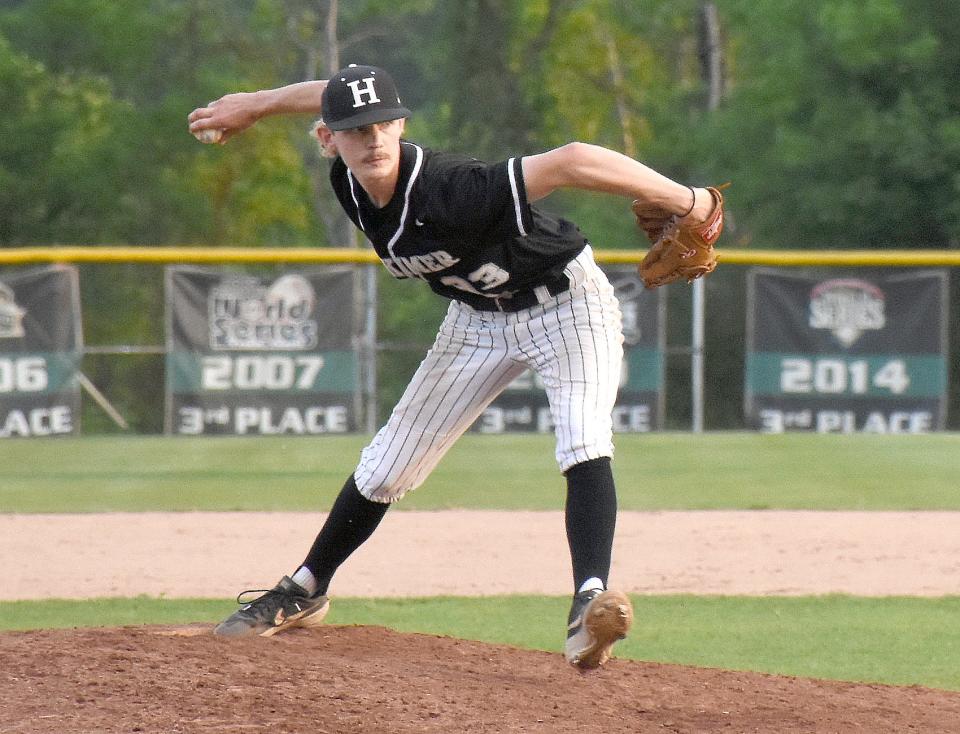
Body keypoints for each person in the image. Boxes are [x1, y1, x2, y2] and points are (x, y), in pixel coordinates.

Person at [188, 64, 717, 669]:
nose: (374, 137)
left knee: (582, 439)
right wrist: (255, 104)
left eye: (384, 123)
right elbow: (336, 93)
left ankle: (589, 603)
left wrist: (691, 201)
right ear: (327, 139)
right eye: (356, 130)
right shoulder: (348, 178)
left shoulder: (452, 186)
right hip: (475, 320)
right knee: (387, 465)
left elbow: (570, 159)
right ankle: (304, 589)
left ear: (402, 123)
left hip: (566, 305)